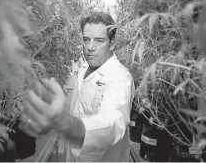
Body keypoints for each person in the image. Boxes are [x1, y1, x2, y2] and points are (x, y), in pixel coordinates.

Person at [19, 11, 135, 162]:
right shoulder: (84, 69)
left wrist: (62, 122)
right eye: (86, 40)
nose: (90, 47)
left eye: (99, 40)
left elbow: (112, 124)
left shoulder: (120, 77)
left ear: (112, 43)